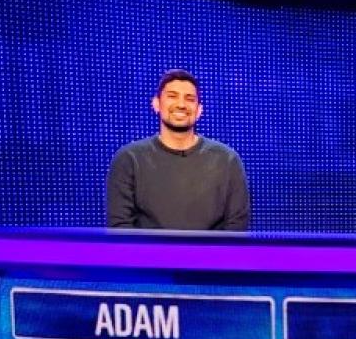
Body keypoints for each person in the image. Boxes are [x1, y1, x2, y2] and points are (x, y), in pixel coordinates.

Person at [107, 69, 250, 230]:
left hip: (210, 255)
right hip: (149, 255)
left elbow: (236, 228)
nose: (181, 105)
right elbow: (121, 228)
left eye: (189, 99)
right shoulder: (129, 159)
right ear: (156, 104)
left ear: (199, 110)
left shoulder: (227, 161)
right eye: (172, 96)